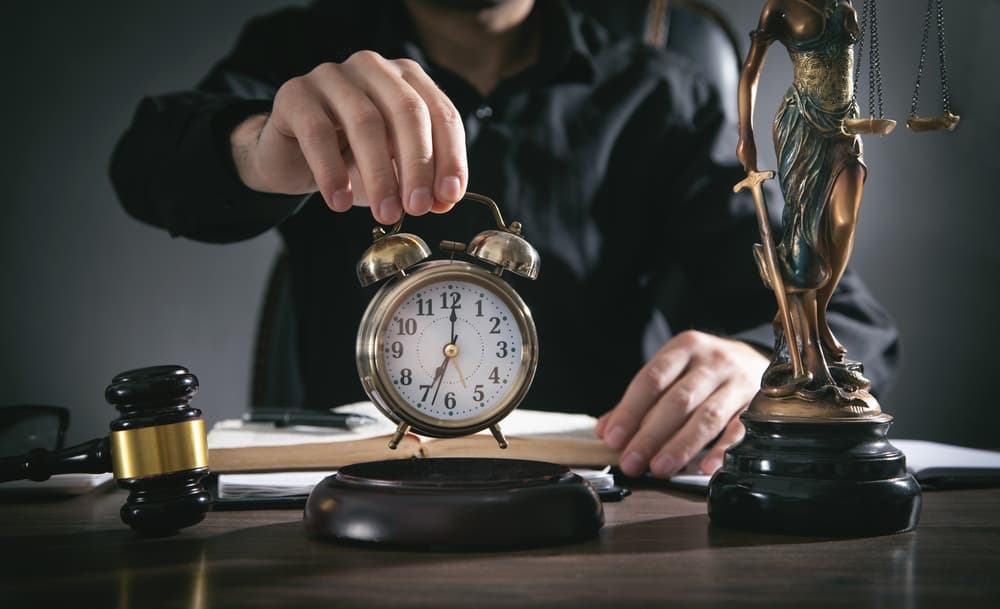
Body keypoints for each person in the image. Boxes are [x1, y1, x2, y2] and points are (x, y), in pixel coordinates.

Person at [110, 0, 898, 478]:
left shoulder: (664, 93)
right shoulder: (303, 53)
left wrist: (759, 361)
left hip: (601, 494)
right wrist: (258, 145)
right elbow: (143, 161)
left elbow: (843, 315)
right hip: (352, 495)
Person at [736, 0, 879, 402]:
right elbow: (750, 71)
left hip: (846, 124)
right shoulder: (779, 7)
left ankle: (812, 318)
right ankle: (810, 342)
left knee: (843, 225)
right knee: (804, 233)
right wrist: (745, 135)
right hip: (802, 123)